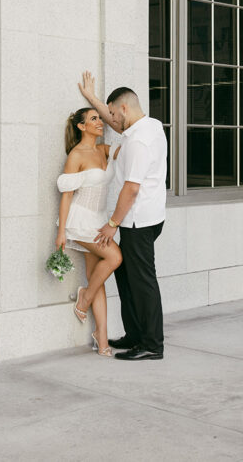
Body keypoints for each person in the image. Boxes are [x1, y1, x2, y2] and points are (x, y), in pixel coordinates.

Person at [78, 71, 167, 361]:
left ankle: (152, 344)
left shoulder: (139, 141)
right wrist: (92, 98)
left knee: (142, 282)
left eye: (114, 113)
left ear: (125, 109)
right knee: (127, 279)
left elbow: (131, 189)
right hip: (141, 218)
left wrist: (112, 223)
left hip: (137, 221)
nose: (111, 120)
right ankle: (134, 335)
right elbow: (116, 119)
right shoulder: (148, 126)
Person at [56, 107, 123, 357]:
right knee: (114, 258)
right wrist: (62, 232)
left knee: (97, 276)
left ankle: (101, 338)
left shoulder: (104, 149)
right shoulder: (77, 155)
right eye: (94, 118)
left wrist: (102, 108)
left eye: (100, 118)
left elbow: (126, 139)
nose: (100, 122)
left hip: (99, 218)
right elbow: (66, 196)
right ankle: (83, 297)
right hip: (81, 221)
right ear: (81, 126)